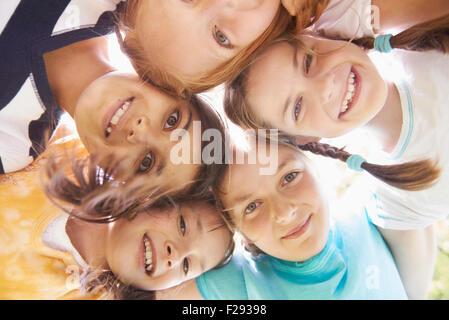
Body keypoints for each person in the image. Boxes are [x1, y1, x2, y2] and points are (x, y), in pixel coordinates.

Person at [223, 14, 449, 231]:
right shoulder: (397, 199)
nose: (325, 87)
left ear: (320, 35)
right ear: (305, 138)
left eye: (308, 62)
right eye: (298, 108)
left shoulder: (423, 27)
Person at [189, 138, 436, 300]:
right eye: (251, 206)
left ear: (314, 164)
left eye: (289, 177)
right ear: (235, 227)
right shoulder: (234, 283)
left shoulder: (375, 211)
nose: (285, 213)